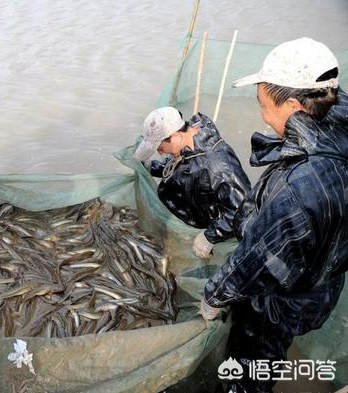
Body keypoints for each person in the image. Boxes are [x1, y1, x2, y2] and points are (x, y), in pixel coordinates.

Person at [201, 37, 348, 393]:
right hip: (323, 286)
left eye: (264, 105)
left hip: (279, 303)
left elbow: (255, 260)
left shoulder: (300, 189)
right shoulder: (338, 118)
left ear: (296, 105)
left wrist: (213, 296)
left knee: (250, 368)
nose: (261, 115)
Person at [133, 107, 251, 258]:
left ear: (175, 136)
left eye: (160, 147)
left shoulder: (218, 165)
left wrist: (211, 236)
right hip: (185, 218)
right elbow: (177, 167)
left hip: (209, 233)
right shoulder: (185, 146)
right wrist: (150, 168)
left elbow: (244, 210)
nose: (160, 152)